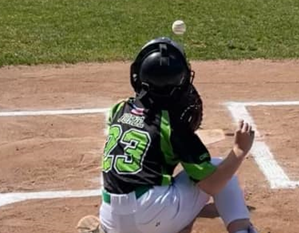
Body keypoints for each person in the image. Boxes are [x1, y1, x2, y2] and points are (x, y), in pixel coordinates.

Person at [92, 38, 258, 233]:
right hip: (151, 214)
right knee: (220, 171)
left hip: (111, 216)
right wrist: (239, 150)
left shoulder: (119, 109)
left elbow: (145, 134)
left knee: (167, 197)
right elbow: (213, 184)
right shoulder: (173, 125)